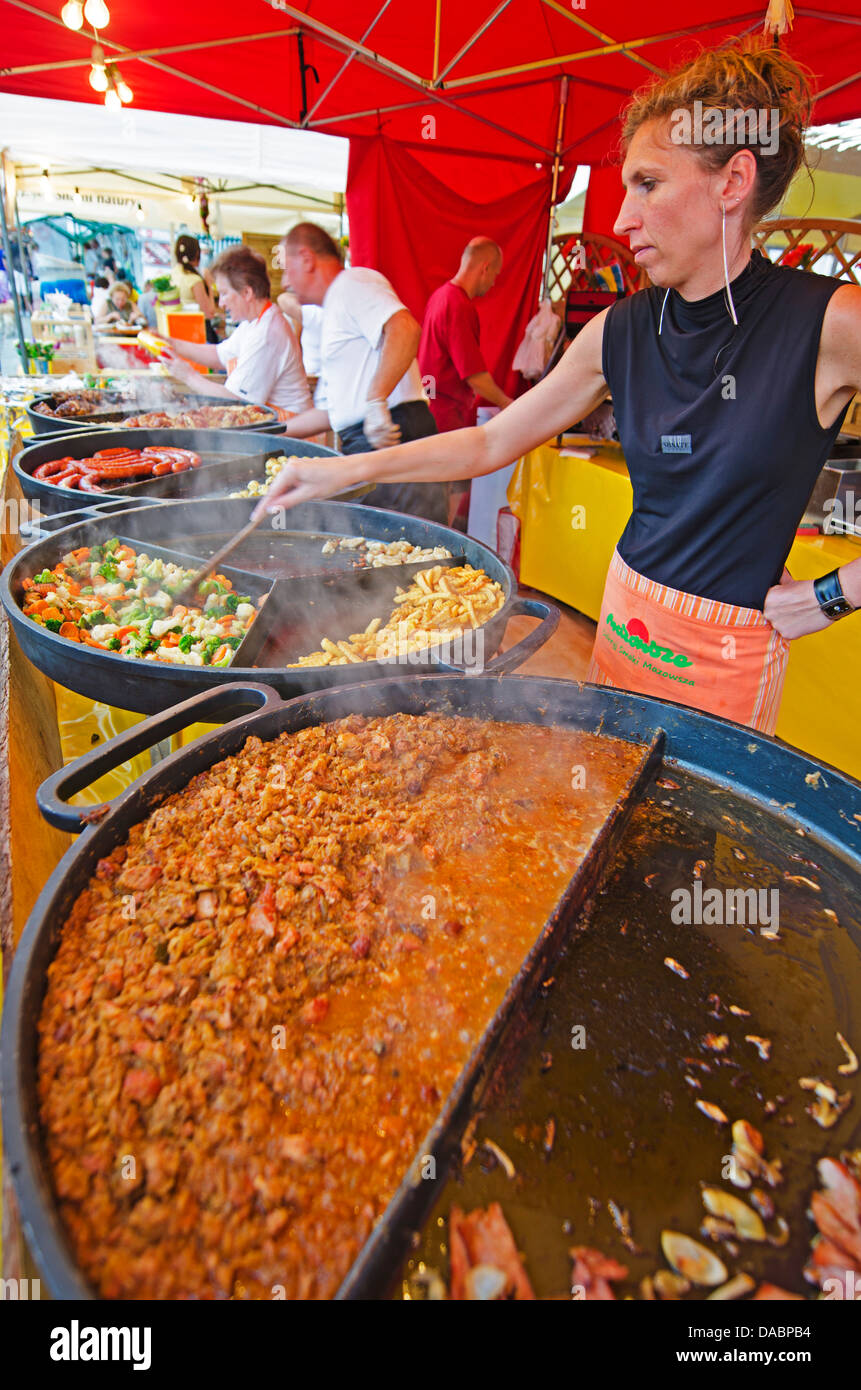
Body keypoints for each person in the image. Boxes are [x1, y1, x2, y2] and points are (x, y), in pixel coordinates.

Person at [256, 42, 861, 735]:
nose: (620, 220)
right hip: (628, 615)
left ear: (731, 182)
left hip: (730, 652)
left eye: (648, 184)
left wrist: (834, 594)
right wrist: (338, 471)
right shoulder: (620, 329)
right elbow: (491, 439)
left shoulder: (827, 321)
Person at [276, 222, 446, 524]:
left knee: (408, 552)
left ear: (306, 257)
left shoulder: (352, 282)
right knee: (376, 554)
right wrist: (266, 432)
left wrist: (375, 400)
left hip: (395, 434)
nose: (284, 279)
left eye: (286, 266)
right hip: (364, 441)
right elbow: (332, 411)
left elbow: (405, 329)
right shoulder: (332, 312)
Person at [157, 244, 312, 419]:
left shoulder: (267, 333)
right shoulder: (253, 323)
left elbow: (237, 402)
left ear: (247, 292)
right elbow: (218, 355)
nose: (221, 303)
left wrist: (188, 376)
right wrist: (172, 344)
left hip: (291, 433)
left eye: (224, 293)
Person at [419, 237, 513, 432]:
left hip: (428, 407)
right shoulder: (458, 305)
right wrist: (506, 403)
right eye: (495, 275)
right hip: (446, 416)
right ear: (485, 268)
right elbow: (474, 375)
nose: (493, 283)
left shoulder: (440, 296)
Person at [173, 234, 220, 342]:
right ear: (196, 253)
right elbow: (209, 312)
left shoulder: (173, 274)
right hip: (197, 332)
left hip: (179, 332)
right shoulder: (194, 279)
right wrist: (209, 284)